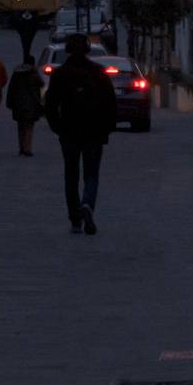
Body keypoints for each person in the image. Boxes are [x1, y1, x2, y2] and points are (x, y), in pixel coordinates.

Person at [44, 33, 117, 235]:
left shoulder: (60, 74)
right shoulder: (98, 73)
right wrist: (107, 128)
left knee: (71, 175)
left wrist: (57, 127)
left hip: (69, 131)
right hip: (94, 132)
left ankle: (75, 219)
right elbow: (110, 103)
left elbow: (50, 105)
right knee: (91, 174)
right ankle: (87, 203)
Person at [6, 54, 45, 156]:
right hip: (30, 104)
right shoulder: (33, 73)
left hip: (18, 104)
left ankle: (22, 146)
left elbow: (11, 88)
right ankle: (27, 148)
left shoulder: (17, 73)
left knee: (21, 126)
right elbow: (41, 83)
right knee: (29, 127)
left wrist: (9, 102)